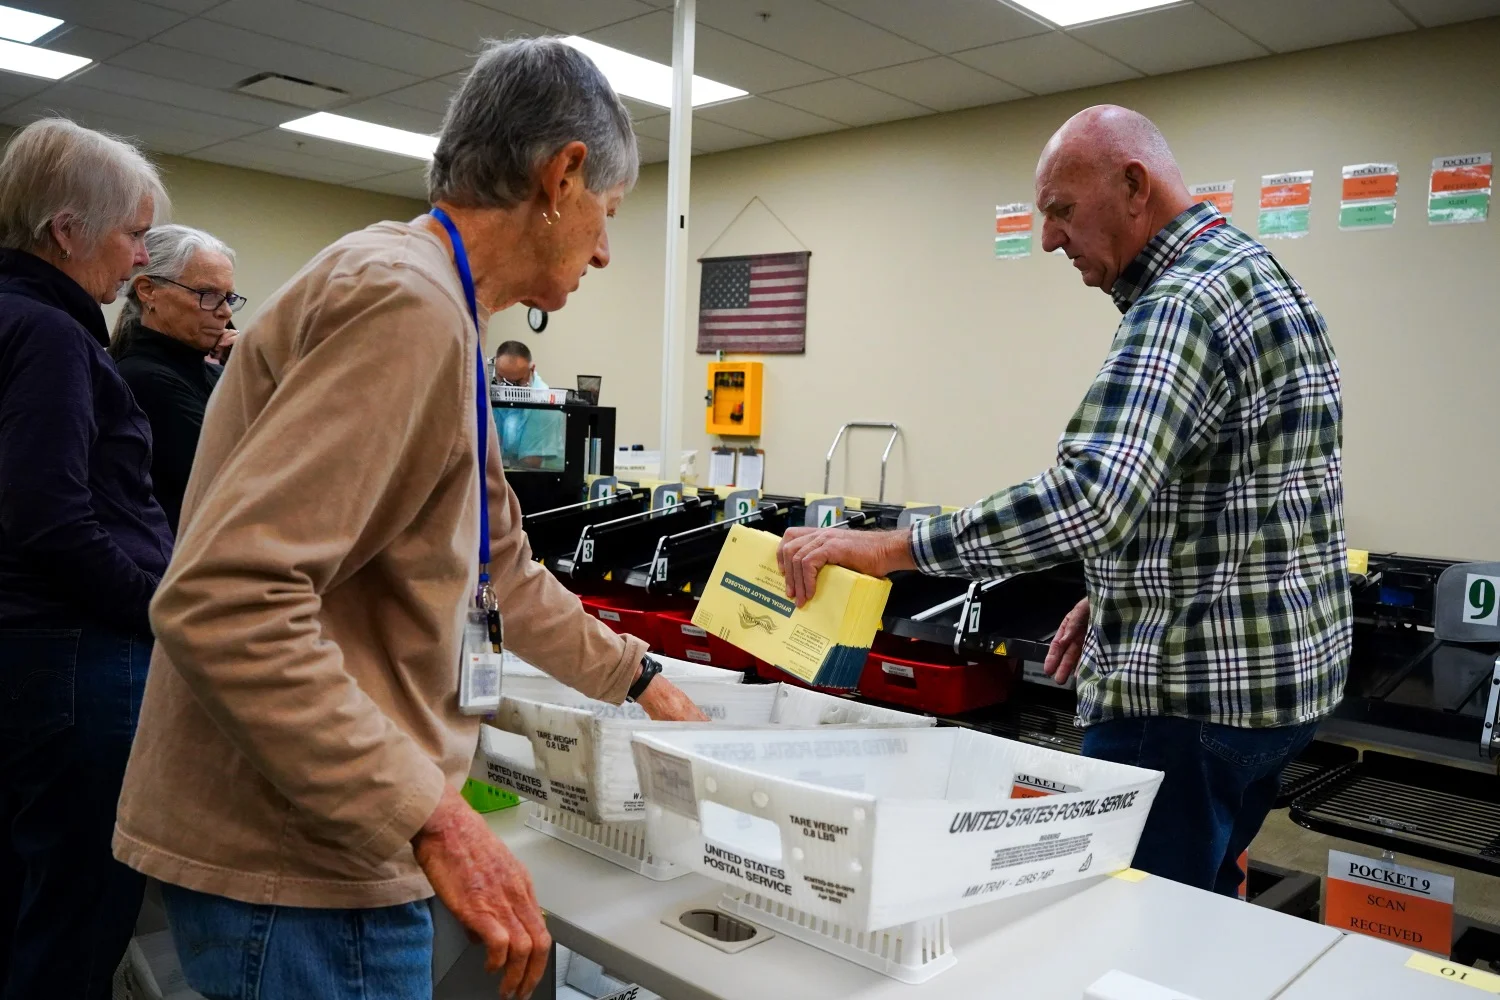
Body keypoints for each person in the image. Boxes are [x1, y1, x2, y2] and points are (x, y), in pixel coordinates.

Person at [113, 37, 707, 1000]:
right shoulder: (407, 306)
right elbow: (225, 600)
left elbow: (499, 563)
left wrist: (641, 680)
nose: (604, 248)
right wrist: (433, 812)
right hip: (303, 861)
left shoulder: (432, 301)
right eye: (610, 213)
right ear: (563, 175)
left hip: (313, 840)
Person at [776, 105, 1350, 897]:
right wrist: (1117, 587)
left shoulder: (1177, 306)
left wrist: (891, 547)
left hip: (1184, 704)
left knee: (1123, 925)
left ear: (1135, 186)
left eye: (1061, 211)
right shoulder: (1257, 275)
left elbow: (1089, 496)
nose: (1048, 239)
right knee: (1201, 910)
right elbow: (1250, 493)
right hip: (1279, 691)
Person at [0, 117, 170, 999]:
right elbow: (52, 519)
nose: (139, 259)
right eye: (133, 234)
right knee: (77, 921)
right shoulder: (55, 336)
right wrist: (163, 609)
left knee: (30, 906)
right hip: (78, 656)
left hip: (33, 655)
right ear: (67, 230)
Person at [110, 224, 246, 533]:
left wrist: (247, 375)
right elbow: (242, 479)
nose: (225, 311)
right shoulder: (144, 378)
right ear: (148, 291)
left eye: (229, 297)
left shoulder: (212, 372)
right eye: (208, 295)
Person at [493, 339, 564, 471]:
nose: (509, 388)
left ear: (532, 370)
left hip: (541, 478)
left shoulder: (545, 404)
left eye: (517, 382)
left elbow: (530, 463)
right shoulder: (488, 389)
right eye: (502, 379)